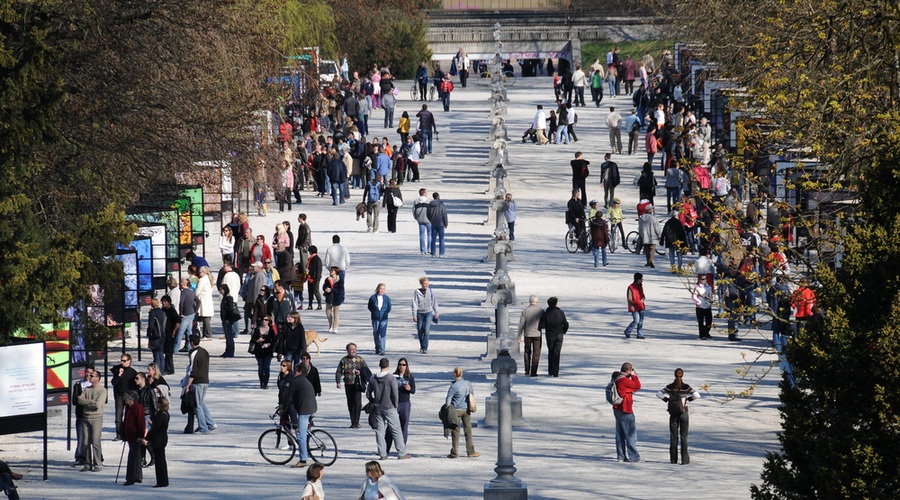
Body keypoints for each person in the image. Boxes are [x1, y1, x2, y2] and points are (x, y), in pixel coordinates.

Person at [367, 358, 413, 460]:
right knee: (396, 429)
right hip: (390, 407)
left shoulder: (373, 378)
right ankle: (401, 453)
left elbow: (368, 393)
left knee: (379, 431)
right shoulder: (390, 378)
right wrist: (395, 404)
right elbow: (394, 393)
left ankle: (383, 454)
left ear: (380, 365)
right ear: (388, 366)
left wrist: (373, 400)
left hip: (378, 407)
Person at [656, 368, 701, 465]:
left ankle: (673, 460)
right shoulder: (686, 387)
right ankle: (684, 460)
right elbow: (697, 395)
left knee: (673, 437)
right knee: (684, 437)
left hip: (673, 414)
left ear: (674, 375)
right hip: (684, 413)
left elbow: (658, 394)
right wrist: (688, 399)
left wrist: (667, 400)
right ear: (682, 375)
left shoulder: (670, 387)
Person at [286, 363, 318, 468]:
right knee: (303, 431)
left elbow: (289, 397)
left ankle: (303, 459)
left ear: (299, 372)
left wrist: (283, 408)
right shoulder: (304, 380)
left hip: (304, 410)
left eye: (295, 371)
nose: (294, 372)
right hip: (311, 407)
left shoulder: (296, 382)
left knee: (300, 436)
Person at [184, 334, 217, 434]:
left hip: (197, 382)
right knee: (201, 403)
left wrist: (187, 385)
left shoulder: (194, 353)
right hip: (205, 380)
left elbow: (192, 370)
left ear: (191, 342)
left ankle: (203, 428)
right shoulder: (205, 352)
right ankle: (210, 423)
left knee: (197, 405)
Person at [445, 367, 479, 458]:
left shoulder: (454, 386)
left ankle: (455, 452)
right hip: (467, 410)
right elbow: (472, 395)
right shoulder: (468, 384)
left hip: (456, 410)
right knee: (468, 431)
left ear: (454, 374)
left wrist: (446, 410)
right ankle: (471, 451)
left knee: (456, 431)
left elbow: (448, 401)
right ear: (462, 374)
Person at [76, 369, 106, 472]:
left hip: (96, 418)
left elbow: (98, 405)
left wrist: (88, 403)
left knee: (95, 441)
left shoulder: (102, 390)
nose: (90, 376)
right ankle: (87, 464)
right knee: (85, 441)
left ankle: (98, 463)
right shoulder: (87, 389)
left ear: (97, 378)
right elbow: (79, 400)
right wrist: (91, 402)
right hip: (86, 417)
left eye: (92, 376)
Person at [612, 362, 642, 463]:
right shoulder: (624, 380)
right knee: (630, 433)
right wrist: (634, 376)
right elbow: (637, 386)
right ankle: (634, 457)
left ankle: (621, 456)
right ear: (628, 371)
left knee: (620, 434)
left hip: (617, 408)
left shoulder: (616, 378)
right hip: (625, 409)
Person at [336, 343, 371, 428]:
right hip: (348, 384)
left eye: (354, 349)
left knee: (357, 403)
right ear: (347, 350)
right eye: (351, 349)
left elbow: (367, 371)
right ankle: (353, 421)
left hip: (357, 385)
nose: (353, 351)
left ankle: (356, 421)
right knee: (350, 403)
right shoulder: (344, 360)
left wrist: (360, 372)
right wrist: (338, 382)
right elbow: (339, 371)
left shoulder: (360, 360)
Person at [388, 358, 415, 452]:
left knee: (404, 425)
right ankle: (386, 448)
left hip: (405, 403)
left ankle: (401, 448)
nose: (401, 366)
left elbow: (413, 391)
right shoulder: (393, 376)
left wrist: (409, 389)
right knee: (390, 426)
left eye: (404, 365)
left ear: (406, 366)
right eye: (400, 364)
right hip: (394, 404)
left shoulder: (410, 377)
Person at [142, 397, 170, 487]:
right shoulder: (166, 414)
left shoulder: (160, 414)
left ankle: (161, 481)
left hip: (158, 439)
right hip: (163, 438)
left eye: (157, 402)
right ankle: (164, 480)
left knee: (159, 461)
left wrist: (146, 438)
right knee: (162, 460)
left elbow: (155, 429)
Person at [538, 297, 569, 377]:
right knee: (557, 353)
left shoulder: (546, 313)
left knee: (551, 352)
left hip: (550, 335)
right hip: (559, 334)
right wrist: (563, 331)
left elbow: (542, 325)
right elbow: (565, 323)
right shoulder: (560, 312)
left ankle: (551, 370)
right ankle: (556, 372)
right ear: (556, 303)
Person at [110, 353, 138, 441]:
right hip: (119, 395)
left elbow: (135, 386)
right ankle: (119, 434)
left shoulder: (133, 372)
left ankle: (127, 433)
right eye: (121, 360)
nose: (122, 362)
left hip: (129, 396)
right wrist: (119, 375)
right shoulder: (117, 369)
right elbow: (114, 382)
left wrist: (133, 397)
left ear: (129, 361)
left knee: (128, 416)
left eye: (124, 361)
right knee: (118, 416)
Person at [71, 366, 94, 466]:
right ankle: (80, 457)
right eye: (87, 372)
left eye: (90, 373)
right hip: (80, 414)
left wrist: (84, 400)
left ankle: (95, 457)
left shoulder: (94, 386)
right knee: (81, 437)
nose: (88, 375)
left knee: (93, 437)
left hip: (91, 414)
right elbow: (75, 401)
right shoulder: (78, 384)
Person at [122, 390, 145, 486]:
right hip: (130, 435)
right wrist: (124, 434)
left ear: (131, 399)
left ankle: (131, 478)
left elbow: (140, 423)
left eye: (126, 398)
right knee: (136, 456)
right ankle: (137, 476)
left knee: (133, 457)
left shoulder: (137, 408)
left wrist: (140, 436)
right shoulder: (128, 407)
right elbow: (126, 422)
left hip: (136, 436)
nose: (125, 400)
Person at [517, 295, 544, 376]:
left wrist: (519, 335)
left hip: (527, 334)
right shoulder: (541, 311)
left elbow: (521, 324)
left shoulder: (525, 311)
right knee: (536, 353)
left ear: (529, 301)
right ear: (537, 301)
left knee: (527, 352)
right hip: (537, 334)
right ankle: (534, 371)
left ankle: (527, 370)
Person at [411, 277, 439, 354]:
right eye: (425, 284)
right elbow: (414, 303)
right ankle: (422, 345)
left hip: (428, 312)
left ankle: (425, 347)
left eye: (428, 283)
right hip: (419, 313)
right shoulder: (417, 292)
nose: (426, 285)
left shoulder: (430, 291)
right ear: (421, 284)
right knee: (420, 330)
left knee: (426, 330)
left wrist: (436, 312)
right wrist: (414, 315)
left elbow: (434, 302)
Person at [251, 316, 276, 389]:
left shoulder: (271, 330)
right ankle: (261, 382)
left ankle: (265, 383)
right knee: (261, 367)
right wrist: (258, 340)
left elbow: (274, 341)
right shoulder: (257, 329)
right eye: (263, 319)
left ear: (269, 321)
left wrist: (269, 344)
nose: (264, 321)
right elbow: (252, 340)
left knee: (267, 367)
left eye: (266, 319)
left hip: (268, 351)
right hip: (259, 351)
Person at [367, 283, 392, 355]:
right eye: (381, 288)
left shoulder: (387, 298)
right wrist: (375, 312)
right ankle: (377, 347)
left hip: (384, 318)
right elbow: (369, 307)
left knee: (383, 334)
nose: (382, 290)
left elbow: (389, 308)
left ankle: (382, 349)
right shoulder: (373, 297)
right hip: (375, 318)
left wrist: (384, 313)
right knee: (376, 333)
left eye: (384, 289)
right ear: (377, 289)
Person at [176, 278, 197, 352]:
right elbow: (198, 301)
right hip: (191, 313)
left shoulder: (184, 292)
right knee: (189, 331)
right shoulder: (191, 292)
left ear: (183, 284)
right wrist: (195, 311)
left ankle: (176, 348)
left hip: (186, 314)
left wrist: (181, 313)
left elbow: (181, 303)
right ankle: (189, 346)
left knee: (180, 331)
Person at [219, 284, 240, 358]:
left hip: (228, 319)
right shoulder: (225, 297)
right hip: (225, 319)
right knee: (228, 336)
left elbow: (230, 309)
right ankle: (227, 350)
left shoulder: (228, 298)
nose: (220, 291)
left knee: (229, 336)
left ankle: (230, 351)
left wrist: (228, 318)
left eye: (221, 290)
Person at [323, 266, 345, 333]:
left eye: (332, 270)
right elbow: (324, 286)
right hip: (329, 297)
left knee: (336, 313)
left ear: (336, 271)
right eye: (330, 270)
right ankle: (330, 325)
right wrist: (325, 289)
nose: (331, 271)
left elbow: (340, 289)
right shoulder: (328, 279)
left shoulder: (340, 280)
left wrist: (332, 290)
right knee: (328, 312)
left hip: (337, 297)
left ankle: (335, 327)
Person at [624, 273, 646, 339]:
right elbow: (629, 297)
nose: (642, 280)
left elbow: (643, 295)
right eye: (641, 278)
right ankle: (627, 331)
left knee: (641, 321)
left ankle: (639, 334)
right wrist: (631, 305)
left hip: (641, 306)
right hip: (634, 306)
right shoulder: (631, 287)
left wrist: (643, 298)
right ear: (638, 279)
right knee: (636, 320)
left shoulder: (640, 286)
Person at [692, 273, 714, 339]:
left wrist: (711, 301)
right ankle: (702, 335)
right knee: (701, 322)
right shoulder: (697, 287)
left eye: (706, 279)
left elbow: (711, 295)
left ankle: (706, 333)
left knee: (709, 321)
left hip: (707, 306)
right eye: (703, 279)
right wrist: (698, 302)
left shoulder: (709, 287)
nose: (705, 280)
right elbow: (693, 296)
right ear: (700, 280)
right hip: (700, 307)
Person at [427, 192, 448, 257]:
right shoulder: (441, 205)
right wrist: (446, 223)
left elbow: (428, 214)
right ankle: (441, 253)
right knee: (441, 238)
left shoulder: (430, 205)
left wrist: (431, 220)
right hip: (441, 223)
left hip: (433, 223)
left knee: (433, 238)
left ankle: (433, 253)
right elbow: (444, 214)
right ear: (438, 196)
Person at [412, 188, 431, 254]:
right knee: (429, 234)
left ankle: (422, 250)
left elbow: (413, 211)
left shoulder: (416, 201)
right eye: (426, 192)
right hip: (428, 220)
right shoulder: (429, 201)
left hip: (420, 219)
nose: (427, 194)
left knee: (422, 235)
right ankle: (429, 248)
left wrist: (416, 218)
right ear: (424, 193)